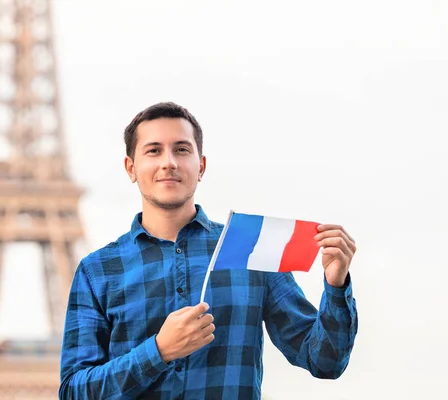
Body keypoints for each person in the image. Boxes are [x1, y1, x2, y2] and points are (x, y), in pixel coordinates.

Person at [59, 102, 358, 399]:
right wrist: (159, 351)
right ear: (131, 168)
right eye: (153, 150)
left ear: (200, 166)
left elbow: (324, 361)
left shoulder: (250, 249)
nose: (169, 162)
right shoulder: (97, 270)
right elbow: (72, 392)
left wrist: (335, 285)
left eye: (181, 149)